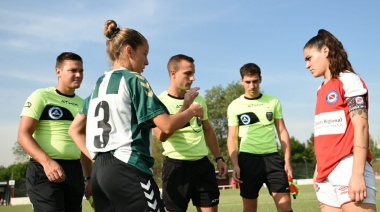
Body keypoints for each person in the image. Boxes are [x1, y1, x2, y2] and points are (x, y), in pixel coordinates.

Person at [68, 20, 203, 212]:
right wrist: (191, 112)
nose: (147, 62)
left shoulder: (100, 85)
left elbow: (74, 130)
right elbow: (165, 126)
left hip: (100, 173)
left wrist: (97, 158)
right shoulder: (134, 79)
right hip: (128, 168)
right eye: (145, 54)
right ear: (129, 51)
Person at [303, 29, 376, 212]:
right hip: (324, 175)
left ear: (325, 51)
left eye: (309, 58)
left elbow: (361, 127)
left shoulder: (349, 80)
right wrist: (318, 170)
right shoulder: (320, 90)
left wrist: (357, 174)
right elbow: (325, 134)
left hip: (348, 167)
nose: (307, 65)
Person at [17, 52, 92, 212]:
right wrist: (47, 162)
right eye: (73, 70)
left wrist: (89, 178)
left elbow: (84, 144)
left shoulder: (84, 104)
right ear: (58, 71)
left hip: (74, 171)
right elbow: (23, 135)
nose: (78, 75)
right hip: (44, 170)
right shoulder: (41, 96)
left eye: (81, 71)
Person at [153, 54, 228, 212]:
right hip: (176, 167)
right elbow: (161, 135)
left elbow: (208, 130)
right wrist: (186, 108)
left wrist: (219, 158)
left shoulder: (199, 100)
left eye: (193, 73)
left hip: (202, 165)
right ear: (173, 73)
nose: (193, 78)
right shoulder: (158, 102)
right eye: (187, 73)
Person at [227, 63, 293, 212]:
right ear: (241, 81)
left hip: (273, 159)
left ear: (260, 80)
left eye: (255, 81)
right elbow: (232, 138)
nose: (252, 86)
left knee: (285, 207)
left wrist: (287, 161)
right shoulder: (234, 106)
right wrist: (235, 164)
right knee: (250, 209)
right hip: (248, 160)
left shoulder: (273, 101)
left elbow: (282, 131)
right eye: (248, 82)